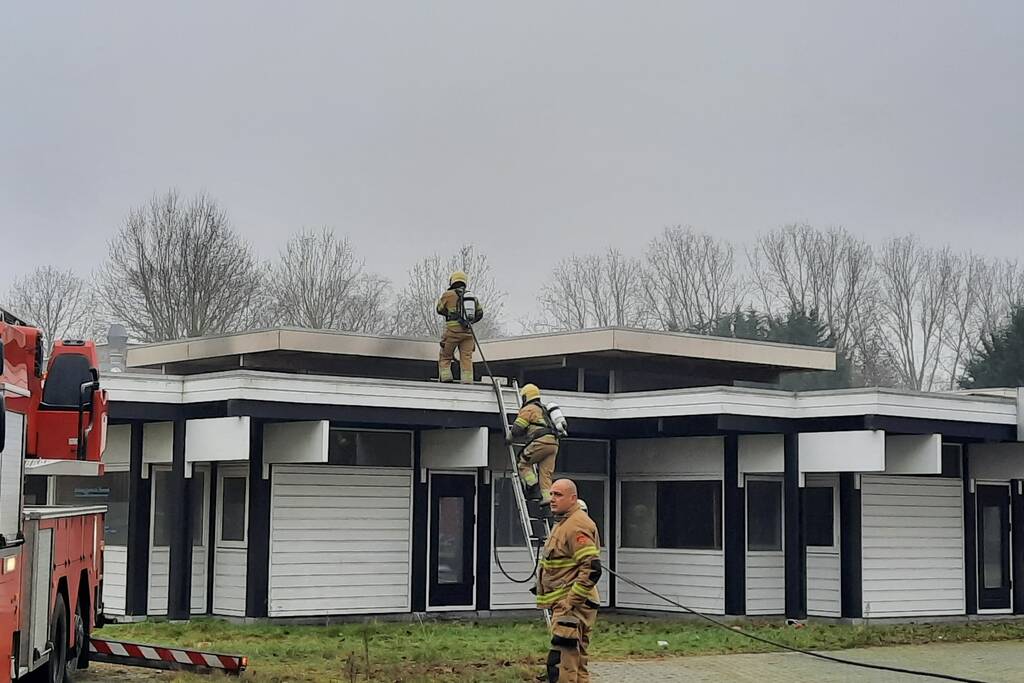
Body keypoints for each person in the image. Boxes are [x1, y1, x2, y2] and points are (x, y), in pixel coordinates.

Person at [535, 479, 601, 683]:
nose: (552, 499)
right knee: (576, 662)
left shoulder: (576, 525)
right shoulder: (564, 522)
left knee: (563, 665)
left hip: (572, 607)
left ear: (573, 498)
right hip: (568, 605)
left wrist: (570, 602)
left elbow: (591, 569)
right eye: (551, 494)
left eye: (558, 495)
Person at [508, 383, 559, 507]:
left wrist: (508, 438)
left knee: (523, 462)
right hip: (554, 444)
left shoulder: (529, 409)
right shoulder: (544, 410)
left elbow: (516, 429)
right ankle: (547, 497)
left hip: (541, 442)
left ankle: (532, 485)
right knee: (545, 473)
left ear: (526, 396)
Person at [436, 271, 483, 383]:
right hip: (468, 334)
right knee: (466, 358)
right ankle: (467, 380)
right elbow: (480, 313)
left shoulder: (448, 295)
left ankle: (446, 378)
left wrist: (449, 313)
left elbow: (439, 309)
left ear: (452, 281)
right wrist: (469, 322)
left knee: (445, 355)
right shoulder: (471, 297)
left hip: (452, 332)